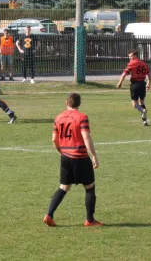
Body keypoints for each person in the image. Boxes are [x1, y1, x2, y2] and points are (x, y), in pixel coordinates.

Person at [43, 93, 103, 227]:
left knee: (63, 187)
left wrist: (61, 151)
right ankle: (90, 220)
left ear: (66, 103)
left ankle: (49, 214)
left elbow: (54, 139)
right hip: (80, 157)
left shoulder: (58, 118)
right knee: (89, 187)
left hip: (65, 157)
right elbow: (86, 137)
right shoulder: (82, 117)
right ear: (79, 104)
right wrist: (93, 155)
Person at [116, 50, 151, 125]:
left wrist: (120, 83)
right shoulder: (144, 63)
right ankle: (144, 120)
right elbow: (149, 75)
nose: (129, 58)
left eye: (130, 56)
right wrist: (148, 84)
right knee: (142, 101)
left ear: (135, 56)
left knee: (134, 104)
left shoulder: (131, 63)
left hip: (135, 84)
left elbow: (124, 74)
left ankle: (142, 110)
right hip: (143, 84)